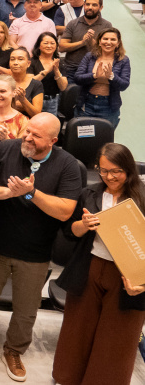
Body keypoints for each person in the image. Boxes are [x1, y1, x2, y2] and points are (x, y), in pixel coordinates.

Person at [0, 113, 81, 381]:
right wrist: (10, 192)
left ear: (53, 140)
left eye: (36, 135)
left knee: (26, 310)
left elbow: (65, 211)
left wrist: (31, 193)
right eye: (27, 131)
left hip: (35, 252)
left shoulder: (68, 165)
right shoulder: (6, 148)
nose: (28, 138)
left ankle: (14, 351)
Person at [52, 142, 145, 385]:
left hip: (127, 277)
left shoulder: (142, 198)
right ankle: (68, 378)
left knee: (116, 339)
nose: (110, 177)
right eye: (103, 170)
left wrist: (143, 283)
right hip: (89, 268)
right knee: (77, 332)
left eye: (116, 171)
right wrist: (83, 225)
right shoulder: (89, 193)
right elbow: (70, 231)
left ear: (129, 169)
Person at [74, 28, 130, 128]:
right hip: (87, 104)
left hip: (109, 107)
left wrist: (111, 76)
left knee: (104, 139)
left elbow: (124, 85)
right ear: (99, 42)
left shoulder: (123, 60)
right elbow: (78, 78)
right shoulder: (89, 56)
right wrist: (94, 76)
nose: (108, 42)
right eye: (105, 39)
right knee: (84, 139)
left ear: (118, 43)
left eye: (113, 40)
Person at [59, 0, 112, 85]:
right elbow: (62, 47)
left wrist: (91, 41)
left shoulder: (106, 26)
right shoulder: (73, 24)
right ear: (84, 5)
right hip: (72, 69)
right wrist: (82, 42)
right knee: (71, 97)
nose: (90, 7)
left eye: (94, 5)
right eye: (87, 4)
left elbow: (106, 51)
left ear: (101, 7)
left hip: (94, 70)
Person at [0, 46, 43, 118]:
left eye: (20, 59)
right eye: (12, 59)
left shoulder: (36, 84)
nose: (15, 63)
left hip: (27, 125)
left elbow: (37, 115)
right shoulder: (1, 82)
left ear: (28, 63)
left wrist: (23, 100)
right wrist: (11, 103)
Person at [30, 32, 66, 116]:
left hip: (52, 101)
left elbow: (63, 87)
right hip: (32, 100)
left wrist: (56, 71)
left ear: (56, 46)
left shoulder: (60, 63)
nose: (49, 46)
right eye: (46, 43)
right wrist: (47, 71)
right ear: (39, 45)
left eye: (52, 43)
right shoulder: (31, 62)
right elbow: (30, 83)